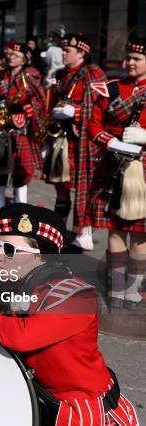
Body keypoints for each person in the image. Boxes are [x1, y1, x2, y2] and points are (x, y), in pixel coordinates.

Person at [0, 203, 139, 426]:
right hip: (38, 396)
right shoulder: (11, 283)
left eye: (9, 249)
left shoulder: (76, 297)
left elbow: (22, 336)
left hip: (82, 410)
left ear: (40, 257)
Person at [87, 33, 146, 310]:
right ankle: (118, 289)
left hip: (143, 171)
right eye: (129, 57)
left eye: (136, 58)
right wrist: (109, 141)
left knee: (141, 233)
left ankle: (133, 290)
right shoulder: (109, 88)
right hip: (113, 166)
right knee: (116, 230)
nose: (129, 62)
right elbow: (93, 125)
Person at [43, 33, 105, 251]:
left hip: (82, 141)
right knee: (61, 186)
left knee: (83, 187)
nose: (63, 53)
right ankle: (58, 231)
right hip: (60, 138)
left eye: (67, 50)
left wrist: (75, 112)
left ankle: (83, 233)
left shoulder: (93, 73)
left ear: (81, 53)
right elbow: (50, 93)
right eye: (62, 50)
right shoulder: (60, 73)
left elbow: (100, 107)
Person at [0, 42, 45, 208]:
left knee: (21, 166)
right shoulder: (1, 74)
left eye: (16, 55)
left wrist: (25, 110)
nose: (11, 57)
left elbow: (40, 101)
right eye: (10, 54)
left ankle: (20, 202)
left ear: (24, 59)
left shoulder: (32, 75)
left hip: (20, 127)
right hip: (1, 125)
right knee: (0, 162)